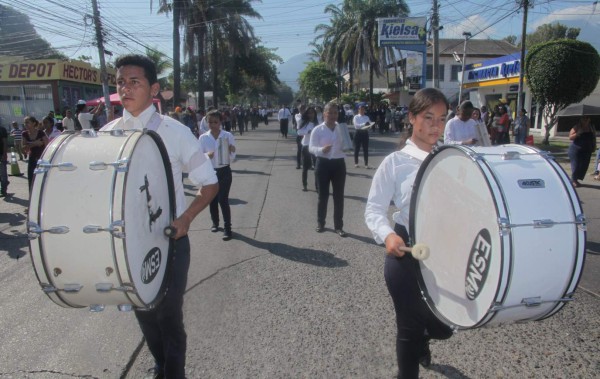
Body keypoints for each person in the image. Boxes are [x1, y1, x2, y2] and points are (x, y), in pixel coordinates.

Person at [100, 54, 219, 379]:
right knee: (145, 315)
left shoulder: (175, 132)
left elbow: (209, 183)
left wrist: (187, 219)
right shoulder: (107, 136)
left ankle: (173, 372)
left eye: (133, 81)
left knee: (169, 317)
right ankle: (161, 365)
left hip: (171, 244)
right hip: (129, 249)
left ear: (153, 88)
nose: (125, 88)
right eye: (120, 82)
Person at [364, 88, 453, 379]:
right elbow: (374, 210)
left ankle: (426, 332)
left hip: (442, 251)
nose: (436, 126)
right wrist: (388, 236)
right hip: (405, 250)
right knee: (408, 324)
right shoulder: (395, 163)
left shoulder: (453, 160)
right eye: (428, 117)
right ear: (412, 118)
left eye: (441, 118)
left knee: (446, 324)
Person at [309, 102, 347, 237]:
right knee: (323, 196)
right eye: (330, 113)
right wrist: (321, 150)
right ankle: (321, 223)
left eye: (335, 113)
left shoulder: (342, 128)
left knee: (339, 196)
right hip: (323, 164)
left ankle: (339, 226)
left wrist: (348, 145)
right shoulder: (317, 130)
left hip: (339, 164)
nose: (332, 115)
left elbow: (348, 144)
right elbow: (311, 148)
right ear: (324, 114)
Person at [199, 110, 236, 241]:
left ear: (220, 122)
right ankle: (215, 222)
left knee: (223, 200)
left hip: (224, 171)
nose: (213, 125)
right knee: (212, 200)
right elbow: (199, 157)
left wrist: (232, 150)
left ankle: (228, 229)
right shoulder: (203, 138)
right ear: (207, 122)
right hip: (210, 172)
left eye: (216, 122)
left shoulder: (227, 135)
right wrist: (206, 156)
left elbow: (233, 156)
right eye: (210, 122)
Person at [568, 115, 597, 187]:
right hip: (576, 149)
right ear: (581, 119)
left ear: (589, 119)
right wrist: (578, 133)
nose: (585, 120)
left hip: (587, 149)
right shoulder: (577, 127)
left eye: (587, 118)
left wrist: (594, 146)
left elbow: (594, 137)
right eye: (584, 118)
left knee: (583, 166)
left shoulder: (591, 127)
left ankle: (576, 179)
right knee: (576, 165)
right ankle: (573, 180)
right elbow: (570, 137)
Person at [22, 116, 48, 192]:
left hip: (42, 158)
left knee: (43, 179)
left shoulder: (41, 133)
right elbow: (23, 149)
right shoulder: (24, 134)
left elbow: (47, 146)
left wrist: (46, 158)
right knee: (31, 179)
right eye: (24, 122)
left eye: (27, 122)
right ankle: (32, 198)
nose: (25, 124)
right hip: (32, 159)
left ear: (33, 123)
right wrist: (35, 143)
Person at [297, 106, 318, 191]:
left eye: (312, 113)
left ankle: (317, 186)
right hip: (306, 146)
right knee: (305, 167)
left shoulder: (318, 123)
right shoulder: (304, 122)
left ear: (314, 114)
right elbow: (299, 132)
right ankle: (304, 184)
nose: (310, 114)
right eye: (309, 113)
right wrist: (307, 132)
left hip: (315, 147)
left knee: (317, 168)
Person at [294, 104, 306, 169]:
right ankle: (298, 164)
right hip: (300, 134)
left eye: (303, 108)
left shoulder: (307, 115)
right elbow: (300, 121)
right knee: (299, 150)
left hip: (306, 135)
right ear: (298, 109)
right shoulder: (297, 115)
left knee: (306, 150)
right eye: (300, 108)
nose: (302, 110)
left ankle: (306, 163)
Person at [0, 122, 8, 197]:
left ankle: (3, 190)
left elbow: (5, 142)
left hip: (1, 154)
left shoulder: (2, 130)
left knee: (3, 173)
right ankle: (4, 184)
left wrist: (5, 153)